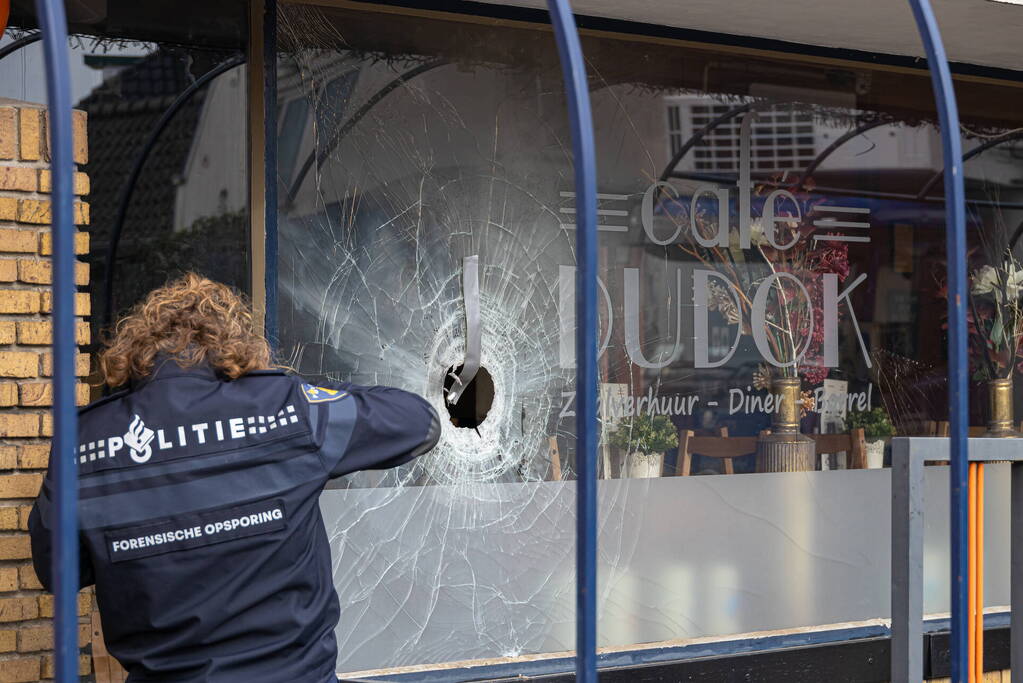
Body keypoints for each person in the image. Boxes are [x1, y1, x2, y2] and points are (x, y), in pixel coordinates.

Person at [28, 273, 440, 682]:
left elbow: (56, 570)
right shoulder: (286, 409)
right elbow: (418, 422)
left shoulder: (82, 442)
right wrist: (306, 394)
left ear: (134, 349)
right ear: (232, 343)